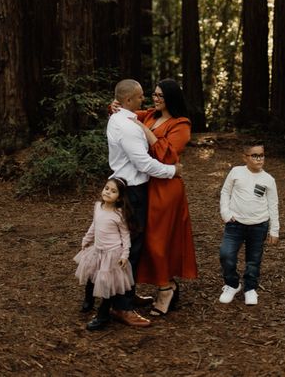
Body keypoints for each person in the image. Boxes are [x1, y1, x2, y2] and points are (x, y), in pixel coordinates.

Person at [87, 78, 183, 331]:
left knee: (133, 247)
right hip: (132, 190)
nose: (145, 100)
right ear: (129, 100)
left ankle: (127, 294)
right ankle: (122, 307)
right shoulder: (129, 127)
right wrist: (172, 171)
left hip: (130, 186)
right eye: (141, 96)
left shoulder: (121, 118)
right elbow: (144, 164)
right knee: (129, 249)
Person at [134, 78, 198, 316]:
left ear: (170, 98)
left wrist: (143, 130)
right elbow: (123, 110)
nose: (155, 99)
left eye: (160, 96)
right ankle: (148, 284)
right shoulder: (150, 115)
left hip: (166, 188)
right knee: (142, 237)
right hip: (145, 184)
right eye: (154, 94)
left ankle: (166, 288)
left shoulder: (181, 124)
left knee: (158, 240)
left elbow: (166, 155)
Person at [218, 142, 279, 306]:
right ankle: (232, 284)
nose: (259, 159)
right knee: (226, 255)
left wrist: (274, 230)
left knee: (253, 260)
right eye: (255, 155)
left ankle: (250, 288)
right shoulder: (236, 172)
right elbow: (225, 192)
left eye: (262, 155)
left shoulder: (268, 179)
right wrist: (226, 213)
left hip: (259, 226)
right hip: (234, 224)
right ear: (245, 157)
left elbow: (273, 205)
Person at [74, 177, 135, 322]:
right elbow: (94, 226)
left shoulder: (119, 215)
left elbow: (125, 236)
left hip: (112, 254)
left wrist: (125, 254)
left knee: (107, 282)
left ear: (119, 197)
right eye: (106, 188)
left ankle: (103, 313)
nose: (108, 192)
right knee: (91, 276)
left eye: (113, 191)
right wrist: (86, 239)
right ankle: (88, 300)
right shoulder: (98, 207)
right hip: (97, 250)